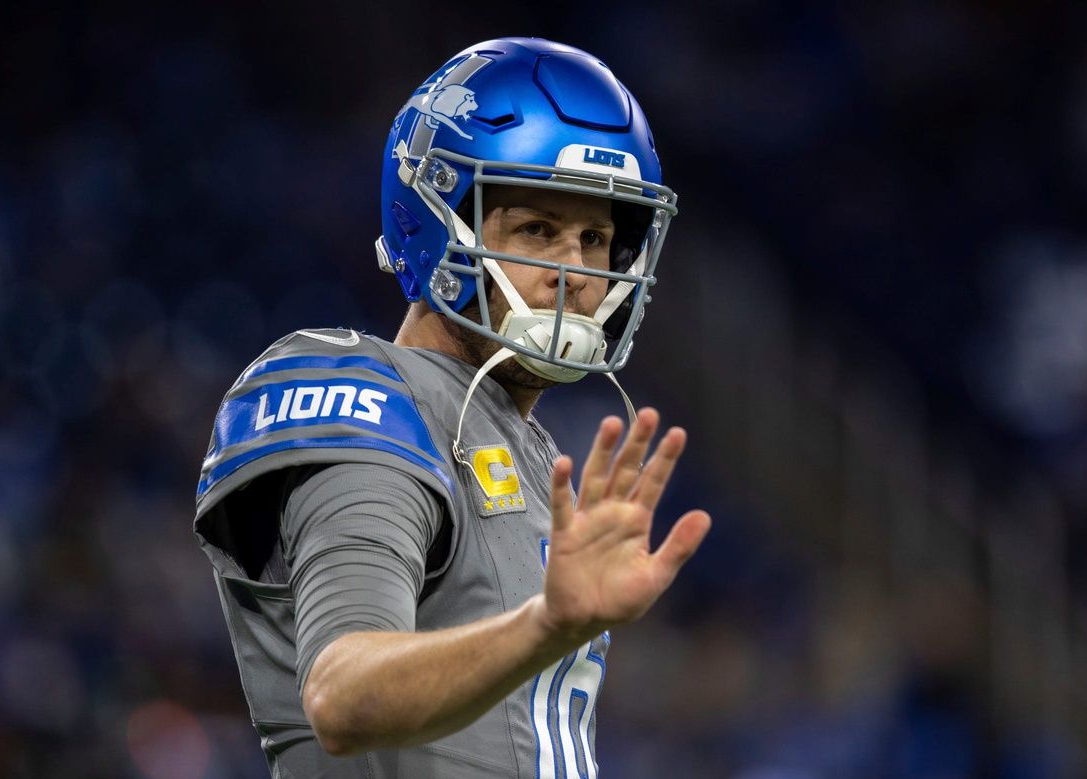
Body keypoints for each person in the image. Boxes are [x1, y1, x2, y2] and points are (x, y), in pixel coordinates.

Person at [193, 37, 710, 778]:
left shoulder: (524, 441)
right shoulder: (368, 392)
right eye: (538, 229)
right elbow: (342, 694)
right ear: (433, 223)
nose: (578, 274)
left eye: (596, 238)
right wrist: (546, 624)